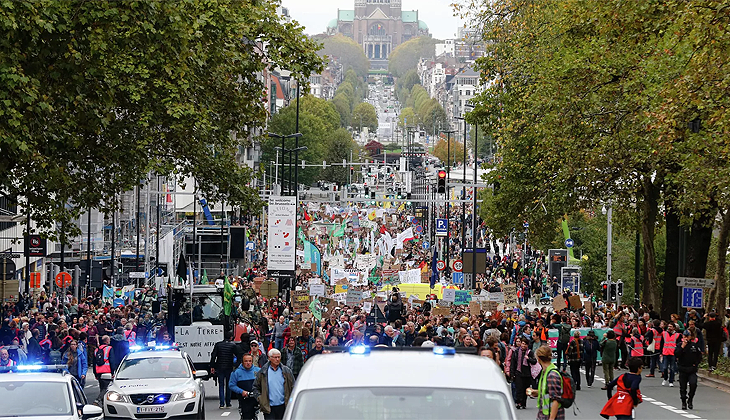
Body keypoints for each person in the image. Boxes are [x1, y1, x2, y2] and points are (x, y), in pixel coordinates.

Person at [252, 349, 295, 420]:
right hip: (269, 407)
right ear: (269, 358)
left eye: (279, 357)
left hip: (283, 406)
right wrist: (260, 399)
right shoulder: (263, 371)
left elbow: (293, 386)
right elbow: (255, 387)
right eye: (275, 357)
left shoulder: (286, 371)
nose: (277, 359)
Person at [527, 345, 565, 420]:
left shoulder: (552, 375)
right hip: (544, 415)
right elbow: (548, 392)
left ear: (538, 359)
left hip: (551, 416)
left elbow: (556, 399)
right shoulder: (545, 372)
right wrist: (536, 392)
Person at [210, 331, 243, 409]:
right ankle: (228, 402)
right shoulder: (233, 345)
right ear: (231, 337)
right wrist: (236, 365)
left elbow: (213, 355)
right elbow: (238, 355)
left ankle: (221, 403)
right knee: (229, 385)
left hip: (219, 366)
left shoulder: (218, 344)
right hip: (229, 367)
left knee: (221, 385)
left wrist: (212, 366)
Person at [675, 329, 703, 410]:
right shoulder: (679, 345)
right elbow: (676, 354)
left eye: (688, 336)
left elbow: (699, 356)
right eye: (685, 336)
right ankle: (684, 402)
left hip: (692, 369)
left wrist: (696, 364)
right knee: (683, 388)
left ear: (690, 337)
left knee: (693, 384)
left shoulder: (694, 345)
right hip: (683, 369)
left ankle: (690, 399)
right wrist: (682, 347)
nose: (686, 338)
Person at [229, 354, 261, 420]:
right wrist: (241, 391)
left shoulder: (258, 371)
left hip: (256, 398)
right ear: (242, 362)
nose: (248, 363)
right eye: (246, 361)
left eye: (250, 361)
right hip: (244, 398)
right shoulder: (236, 372)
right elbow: (231, 385)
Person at [510, 337, 536, 410]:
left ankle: (523, 403)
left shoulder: (530, 352)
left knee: (525, 389)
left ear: (527, 345)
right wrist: (512, 373)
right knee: (519, 389)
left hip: (527, 374)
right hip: (518, 372)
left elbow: (534, 361)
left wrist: (528, 359)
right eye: (522, 343)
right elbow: (513, 363)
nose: (523, 345)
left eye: (525, 344)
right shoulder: (516, 352)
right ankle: (518, 402)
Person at [94, 335, 116, 403]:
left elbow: (94, 362)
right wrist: (113, 372)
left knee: (101, 388)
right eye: (109, 340)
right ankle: (97, 400)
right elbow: (112, 361)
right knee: (105, 388)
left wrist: (95, 373)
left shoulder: (96, 350)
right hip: (107, 371)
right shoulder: (109, 348)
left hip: (98, 371)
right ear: (106, 341)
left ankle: (103, 404)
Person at [659, 322, 680, 387]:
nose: (669, 327)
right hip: (665, 352)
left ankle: (671, 381)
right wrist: (660, 352)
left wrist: (678, 354)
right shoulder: (664, 334)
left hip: (673, 353)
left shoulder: (677, 335)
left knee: (672, 368)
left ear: (674, 328)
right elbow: (661, 343)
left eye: (671, 326)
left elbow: (678, 345)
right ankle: (665, 378)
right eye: (669, 326)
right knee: (665, 367)